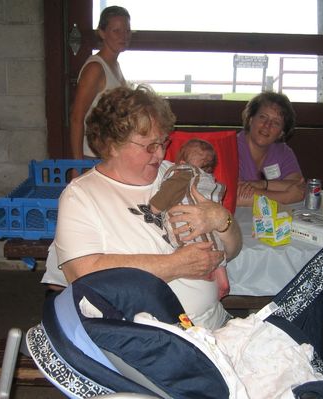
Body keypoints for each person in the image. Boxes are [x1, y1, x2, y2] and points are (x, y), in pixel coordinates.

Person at [43, 85, 242, 330]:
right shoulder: (81, 196)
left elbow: (231, 250)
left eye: (162, 142)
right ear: (112, 145)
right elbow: (83, 274)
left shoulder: (178, 174)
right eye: (149, 146)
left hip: (213, 324)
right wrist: (176, 264)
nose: (160, 153)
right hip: (148, 340)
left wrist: (222, 220)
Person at [149, 138, 230, 300]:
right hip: (213, 233)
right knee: (215, 249)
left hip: (191, 230)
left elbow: (165, 197)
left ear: (181, 161)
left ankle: (206, 278)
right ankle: (222, 276)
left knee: (192, 251)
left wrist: (154, 207)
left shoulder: (183, 172)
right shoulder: (209, 180)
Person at [70, 6, 131, 160]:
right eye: (116, 31)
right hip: (93, 155)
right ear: (102, 33)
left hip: (110, 152)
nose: (123, 36)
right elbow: (77, 117)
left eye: (126, 30)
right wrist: (77, 165)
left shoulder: (115, 65)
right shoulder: (95, 68)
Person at [237, 91, 305, 207]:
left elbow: (299, 187)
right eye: (263, 117)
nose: (267, 125)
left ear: (281, 133)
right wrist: (286, 197)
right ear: (250, 119)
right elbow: (235, 196)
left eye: (276, 123)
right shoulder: (230, 147)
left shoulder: (283, 152)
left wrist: (263, 185)